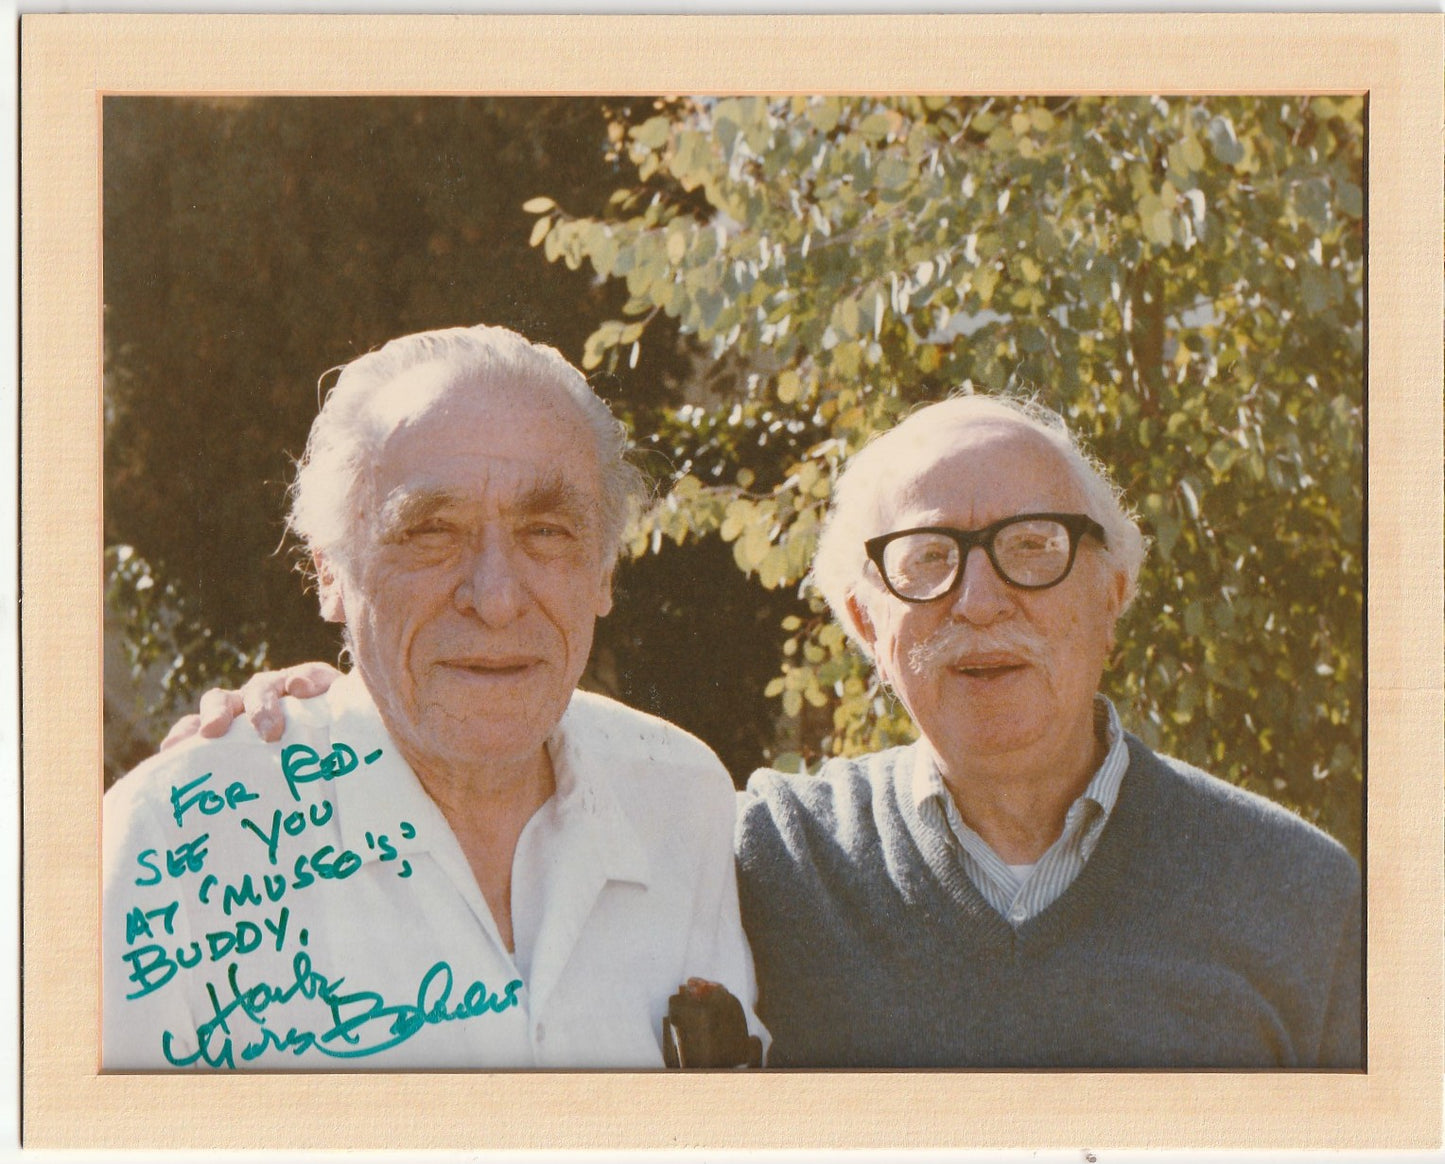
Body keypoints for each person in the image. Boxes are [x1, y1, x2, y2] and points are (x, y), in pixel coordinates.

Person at [173, 393, 1362, 1070]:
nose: (980, 600)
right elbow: (521, 759)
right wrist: (338, 705)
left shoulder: (1296, 891)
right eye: (925, 560)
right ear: (861, 621)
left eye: (1034, 549)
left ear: (1114, 591)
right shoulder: (761, 852)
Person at [103, 325, 762, 1070]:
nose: (497, 597)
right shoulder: (175, 841)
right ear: (329, 573)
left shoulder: (682, 798)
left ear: (603, 570)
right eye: (428, 532)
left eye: (545, 531)